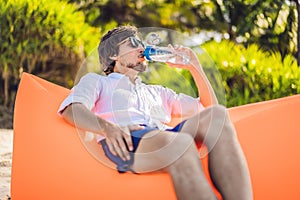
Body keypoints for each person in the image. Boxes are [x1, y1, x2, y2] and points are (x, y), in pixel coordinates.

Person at [58, 25, 253, 200]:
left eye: (141, 43)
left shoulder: (157, 92)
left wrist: (194, 67)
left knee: (217, 115)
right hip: (128, 141)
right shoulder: (98, 81)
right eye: (132, 43)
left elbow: (209, 107)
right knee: (182, 143)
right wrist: (107, 128)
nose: (141, 48)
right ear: (113, 56)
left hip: (163, 136)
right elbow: (72, 108)